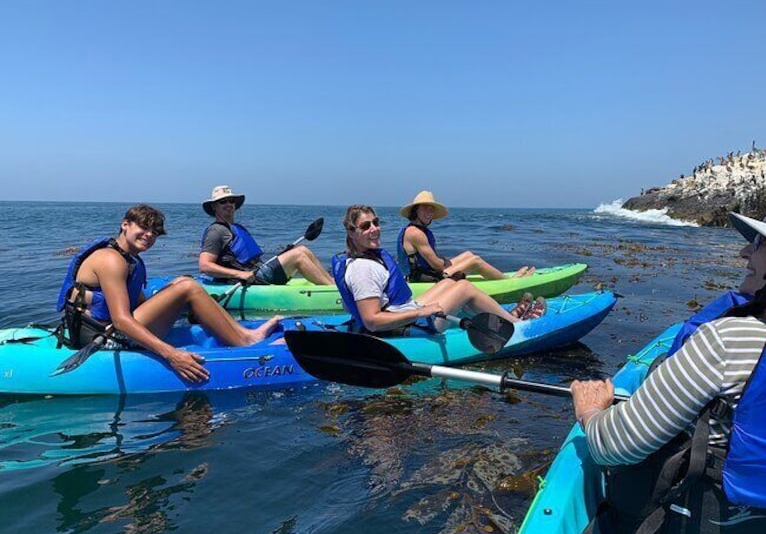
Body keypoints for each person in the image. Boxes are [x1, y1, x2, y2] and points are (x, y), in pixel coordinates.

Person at [571, 186, 766, 534]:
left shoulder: (730, 340)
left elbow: (614, 446)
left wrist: (592, 411)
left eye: (762, 242)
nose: (745, 251)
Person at [57, 205, 280, 383]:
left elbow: (140, 302)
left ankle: (242, 333)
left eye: (155, 232)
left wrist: (171, 292)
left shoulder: (128, 258)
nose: (149, 235)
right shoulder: (111, 259)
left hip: (108, 328)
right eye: (143, 228)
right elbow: (121, 320)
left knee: (183, 283)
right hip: (103, 337)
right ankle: (246, 344)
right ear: (125, 225)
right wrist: (171, 355)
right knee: (188, 288)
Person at [332, 205, 546, 335]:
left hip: (403, 313)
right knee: (463, 288)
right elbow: (371, 321)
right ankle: (518, 327)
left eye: (375, 222)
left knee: (450, 283)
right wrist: (420, 312)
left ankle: (502, 317)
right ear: (351, 233)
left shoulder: (365, 258)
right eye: (365, 226)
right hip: (408, 326)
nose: (374, 229)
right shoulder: (363, 269)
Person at [199, 185, 333, 286]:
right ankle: (334, 294)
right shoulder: (216, 231)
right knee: (298, 256)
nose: (228, 204)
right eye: (223, 201)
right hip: (249, 279)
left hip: (259, 270)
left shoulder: (237, 228)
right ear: (214, 207)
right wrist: (240, 274)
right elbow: (204, 266)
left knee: (303, 249)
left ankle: (332, 285)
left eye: (231, 200)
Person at [396, 190, 534, 281]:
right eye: (425, 207)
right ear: (415, 210)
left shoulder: (415, 230)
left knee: (469, 255)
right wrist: (444, 261)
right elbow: (437, 266)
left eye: (431, 208)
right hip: (420, 279)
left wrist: (444, 261)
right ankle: (509, 282)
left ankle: (501, 276)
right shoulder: (415, 233)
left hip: (426, 273)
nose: (429, 211)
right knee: (475, 261)